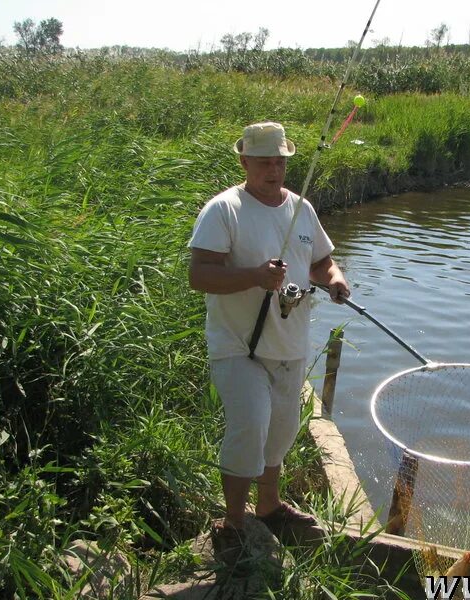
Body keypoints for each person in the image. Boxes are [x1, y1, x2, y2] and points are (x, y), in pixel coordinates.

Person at [187, 122, 349, 565]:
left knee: (280, 432)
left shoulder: (301, 208)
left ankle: (270, 507)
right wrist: (255, 277)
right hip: (238, 344)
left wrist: (334, 279)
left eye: (279, 161)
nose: (274, 169)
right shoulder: (224, 210)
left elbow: (320, 262)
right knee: (251, 425)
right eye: (264, 161)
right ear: (244, 162)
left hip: (289, 343)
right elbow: (200, 274)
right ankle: (233, 522)